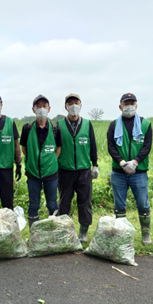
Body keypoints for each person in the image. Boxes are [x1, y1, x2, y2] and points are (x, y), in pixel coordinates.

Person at [107, 93, 153, 245]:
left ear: (136, 106)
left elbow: (147, 146)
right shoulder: (114, 125)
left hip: (138, 172)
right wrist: (121, 162)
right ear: (120, 106)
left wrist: (135, 162)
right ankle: (121, 234)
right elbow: (111, 147)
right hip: (118, 172)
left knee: (142, 202)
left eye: (132, 103)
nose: (129, 106)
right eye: (126, 104)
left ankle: (146, 234)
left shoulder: (145, 124)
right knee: (119, 204)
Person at [57, 93, 98, 242]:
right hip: (65, 170)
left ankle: (83, 232)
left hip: (83, 170)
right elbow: (56, 147)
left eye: (76, 102)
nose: (73, 106)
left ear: (80, 105)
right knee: (64, 202)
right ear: (66, 107)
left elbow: (92, 146)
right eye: (70, 103)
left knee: (85, 202)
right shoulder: (59, 125)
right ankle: (64, 230)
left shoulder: (87, 124)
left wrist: (95, 165)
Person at [20, 95, 62, 228]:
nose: (41, 109)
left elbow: (58, 148)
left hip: (51, 174)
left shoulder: (55, 128)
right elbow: (24, 148)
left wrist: (50, 162)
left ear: (49, 108)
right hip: (33, 174)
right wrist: (32, 161)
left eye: (44, 106)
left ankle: (54, 231)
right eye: (38, 106)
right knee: (34, 204)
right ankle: (34, 232)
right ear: (33, 109)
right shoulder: (27, 128)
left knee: (52, 204)